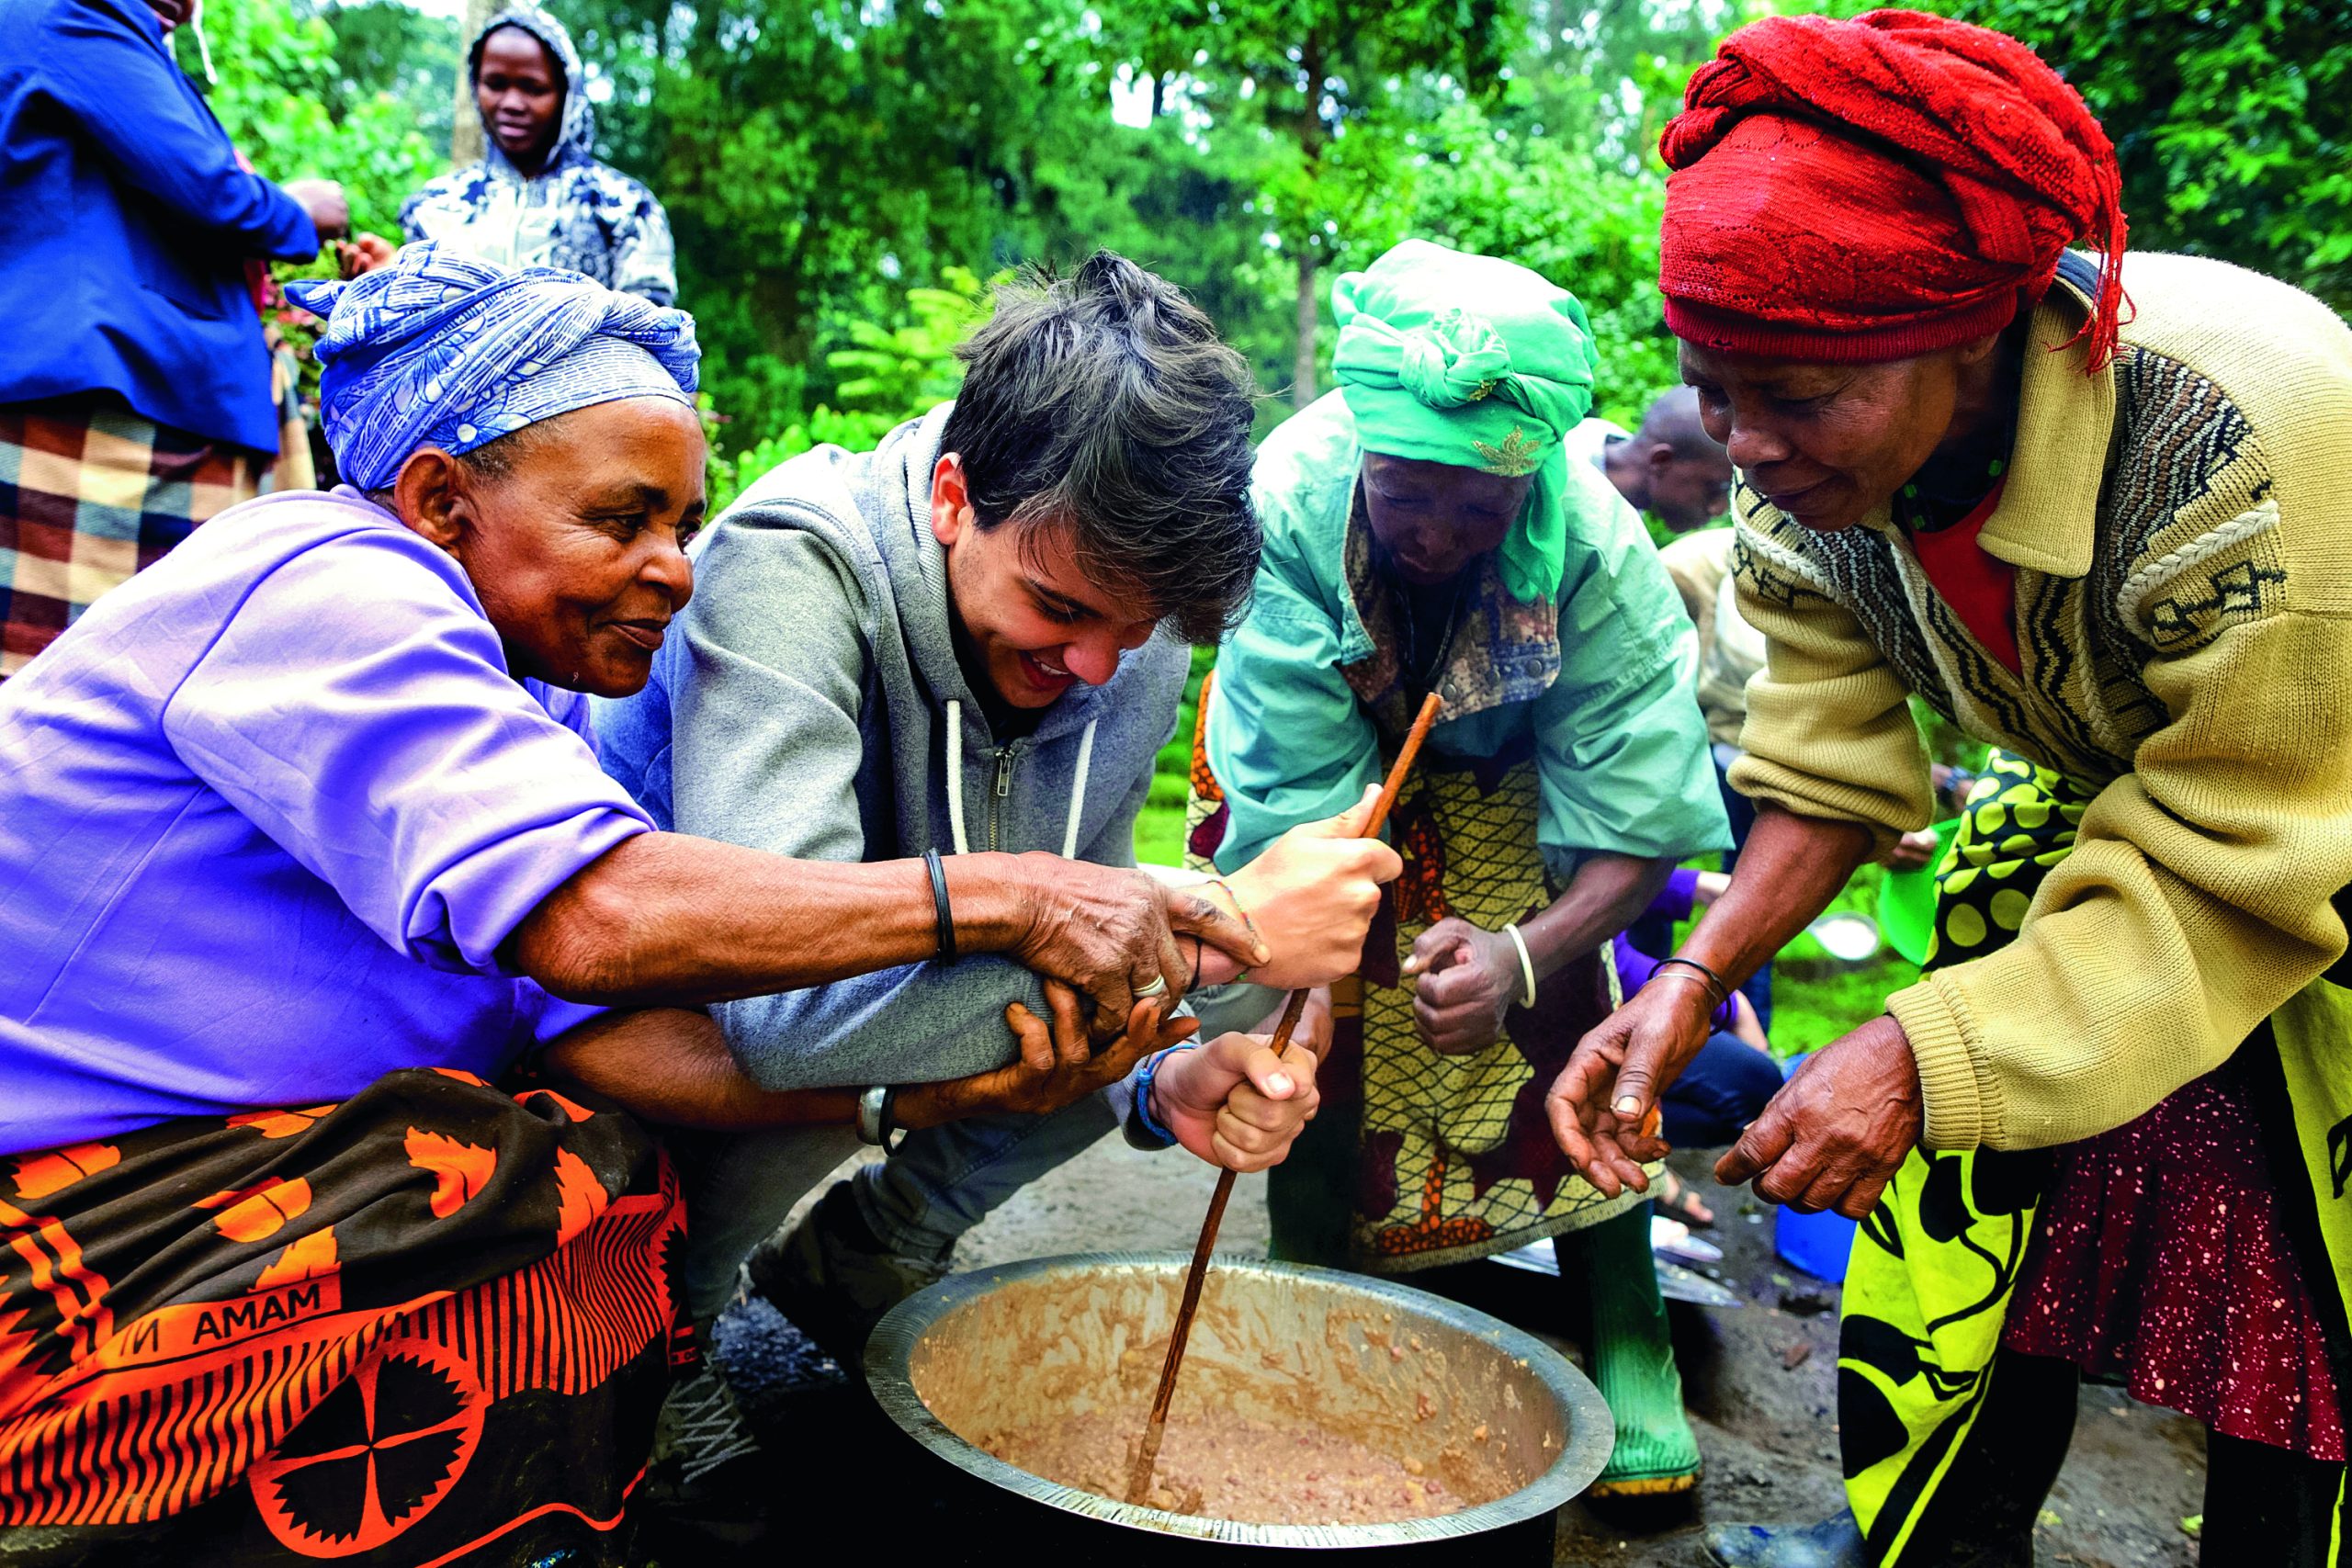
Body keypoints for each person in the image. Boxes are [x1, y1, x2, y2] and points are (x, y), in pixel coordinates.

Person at [0, 246, 1312, 1565]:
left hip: (221, 1149)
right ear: (441, 498)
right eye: (622, 519)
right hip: (55, 1172)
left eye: (681, 525)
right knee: (517, 1194)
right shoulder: (326, 580)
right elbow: (601, 923)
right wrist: (1022, 898)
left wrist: (953, 1087)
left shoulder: (536, 698)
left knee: (590, 1175)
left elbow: (608, 1033)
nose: (679, 569)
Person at [1544, 13, 2352, 1565]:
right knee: (2010, 1236)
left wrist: (1922, 1050)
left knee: (2294, 1314)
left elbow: (2247, 854)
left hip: (2301, 867)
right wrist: (1700, 976)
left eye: (1793, 394)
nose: (1748, 447)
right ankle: (1933, 1542)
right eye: (1713, 391)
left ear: (1984, 334)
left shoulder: (2233, 439)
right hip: (2120, 866)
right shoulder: (1811, 483)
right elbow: (1830, 764)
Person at [596, 250, 1398, 1513]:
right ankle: (665, 1327)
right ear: (957, 495)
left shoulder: (1113, 629)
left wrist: (1166, 1072)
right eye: (1058, 608)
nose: (1094, 665)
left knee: (1172, 1001)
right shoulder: (789, 573)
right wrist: (1211, 933)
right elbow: (777, 1020)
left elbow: (1087, 919)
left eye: (1133, 634)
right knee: (1190, 957)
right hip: (678, 1022)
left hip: (881, 997)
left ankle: (864, 1256)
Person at [1192, 238, 1732, 1499]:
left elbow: (1636, 824)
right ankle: (1307, 1268)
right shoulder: (1286, 500)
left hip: (1520, 766)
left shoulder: (1600, 548)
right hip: (1321, 767)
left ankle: (1626, 1317)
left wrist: (1523, 954)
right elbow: (1290, 804)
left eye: (1474, 503)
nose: (1433, 531)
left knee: (1565, 995)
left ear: (1535, 471)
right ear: (1361, 451)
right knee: (1300, 993)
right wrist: (1308, 973)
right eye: (1405, 491)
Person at [0, 0, 356, 676]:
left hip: (125, 403)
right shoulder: (73, 12)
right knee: (94, 683)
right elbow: (208, 188)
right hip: (109, 403)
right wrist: (298, 209)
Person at [401, 3, 676, 305]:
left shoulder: (625, 209)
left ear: (567, 94)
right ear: (475, 85)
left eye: (533, 88)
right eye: (495, 84)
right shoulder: (433, 207)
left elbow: (649, 328)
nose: (512, 104)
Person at [1569, 385, 1734, 536]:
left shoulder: (1623, 517)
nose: (1719, 509)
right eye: (1715, 490)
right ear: (1661, 462)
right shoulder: (1557, 474)